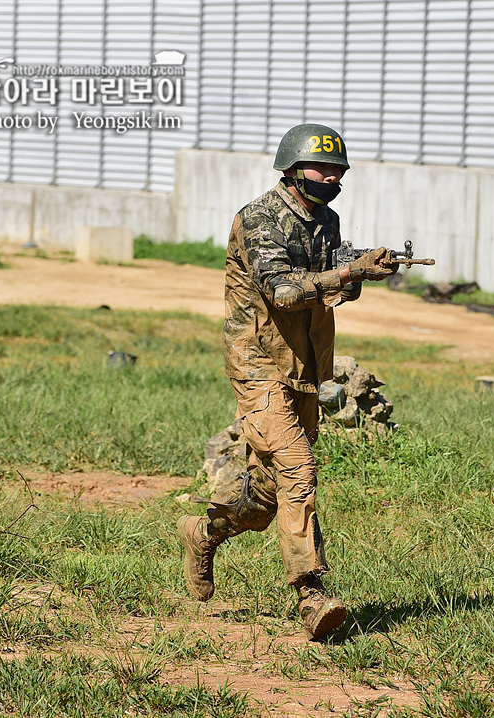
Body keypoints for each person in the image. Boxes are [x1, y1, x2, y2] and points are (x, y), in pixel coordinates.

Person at [176, 123, 397, 640]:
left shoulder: (327, 219)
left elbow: (329, 271)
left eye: (338, 169)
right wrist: (344, 275)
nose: (332, 176)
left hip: (303, 366)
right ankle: (311, 594)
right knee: (299, 469)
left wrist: (364, 264)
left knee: (266, 498)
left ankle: (205, 531)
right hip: (257, 365)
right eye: (322, 168)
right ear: (293, 169)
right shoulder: (258, 219)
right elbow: (282, 290)